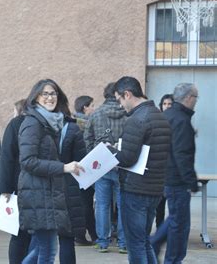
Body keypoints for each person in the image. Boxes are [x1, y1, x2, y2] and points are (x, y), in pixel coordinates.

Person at [17, 79, 85, 264]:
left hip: (46, 193)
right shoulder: (33, 124)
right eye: (45, 94)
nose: (50, 97)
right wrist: (63, 167)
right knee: (47, 252)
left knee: (41, 249)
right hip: (38, 194)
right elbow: (27, 161)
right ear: (36, 97)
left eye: (53, 93)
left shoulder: (49, 123)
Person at [111, 76, 171, 264]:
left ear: (127, 94)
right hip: (154, 189)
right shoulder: (159, 115)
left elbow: (127, 158)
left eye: (119, 99)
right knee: (144, 241)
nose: (121, 105)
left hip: (135, 190)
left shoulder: (137, 119)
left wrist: (110, 151)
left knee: (136, 245)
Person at [151, 84, 199, 263]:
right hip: (176, 181)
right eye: (195, 98)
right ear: (188, 98)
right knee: (178, 224)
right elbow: (182, 155)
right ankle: (169, 257)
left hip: (166, 177)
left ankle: (161, 250)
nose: (196, 102)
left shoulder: (167, 116)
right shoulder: (181, 120)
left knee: (175, 220)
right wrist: (191, 182)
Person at [84, 82, 127, 253]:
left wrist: (93, 158)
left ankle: (103, 242)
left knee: (102, 205)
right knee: (123, 205)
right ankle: (123, 243)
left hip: (101, 165)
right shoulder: (127, 114)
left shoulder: (96, 114)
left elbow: (87, 138)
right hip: (122, 166)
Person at [0, 99, 32, 264]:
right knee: (24, 233)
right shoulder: (19, 124)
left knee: (19, 233)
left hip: (19, 185)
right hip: (24, 186)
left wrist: (5, 189)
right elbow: (7, 157)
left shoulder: (15, 124)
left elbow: (6, 157)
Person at [73, 95, 97, 246]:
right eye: (92, 105)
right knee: (86, 204)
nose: (94, 109)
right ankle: (90, 235)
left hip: (74, 168)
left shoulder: (71, 123)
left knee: (80, 203)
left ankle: (80, 234)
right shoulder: (85, 125)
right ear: (85, 107)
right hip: (84, 168)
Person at [155, 93, 174, 229]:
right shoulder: (157, 121)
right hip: (159, 168)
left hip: (172, 167)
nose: (167, 107)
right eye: (164, 104)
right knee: (159, 204)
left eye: (170, 104)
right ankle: (159, 229)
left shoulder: (177, 121)